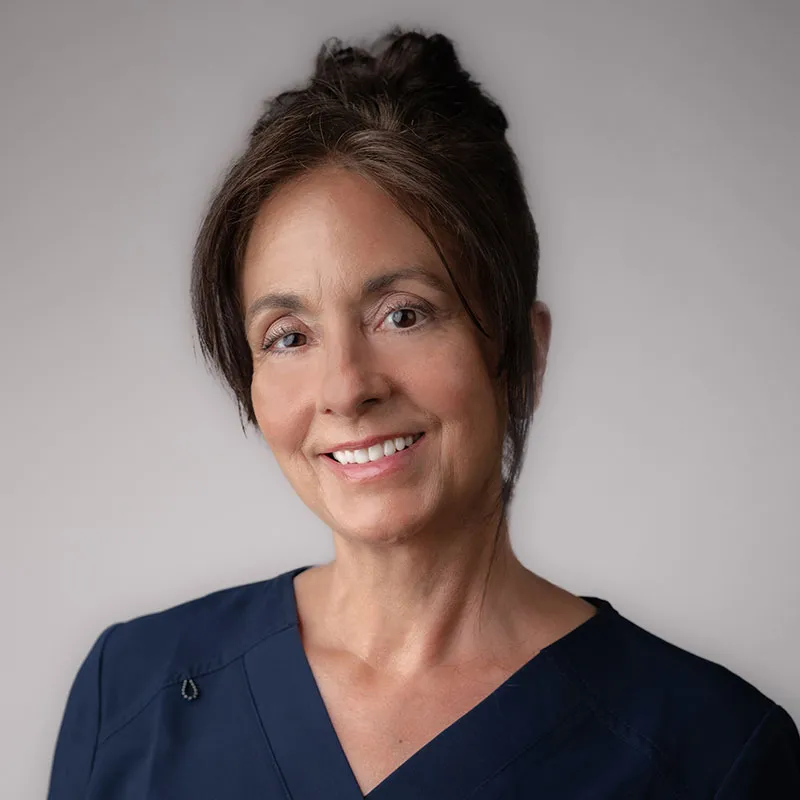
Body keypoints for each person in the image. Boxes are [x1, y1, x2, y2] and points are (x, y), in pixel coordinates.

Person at [47, 26, 800, 799]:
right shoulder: (132, 692)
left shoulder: (714, 756)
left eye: (403, 315)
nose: (345, 388)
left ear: (521, 354)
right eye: (289, 336)